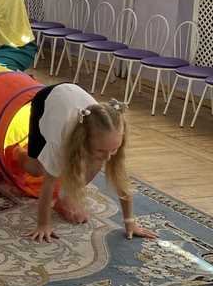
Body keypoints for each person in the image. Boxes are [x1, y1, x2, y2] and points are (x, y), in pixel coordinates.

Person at [13, 84, 158, 243]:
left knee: (95, 161)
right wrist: (43, 225)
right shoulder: (60, 140)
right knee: (36, 169)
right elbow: (48, 184)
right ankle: (16, 151)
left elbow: (121, 181)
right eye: (101, 150)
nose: (108, 157)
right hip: (46, 101)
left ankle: (65, 196)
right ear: (83, 140)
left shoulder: (108, 139)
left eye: (113, 149)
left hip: (74, 101)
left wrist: (130, 223)